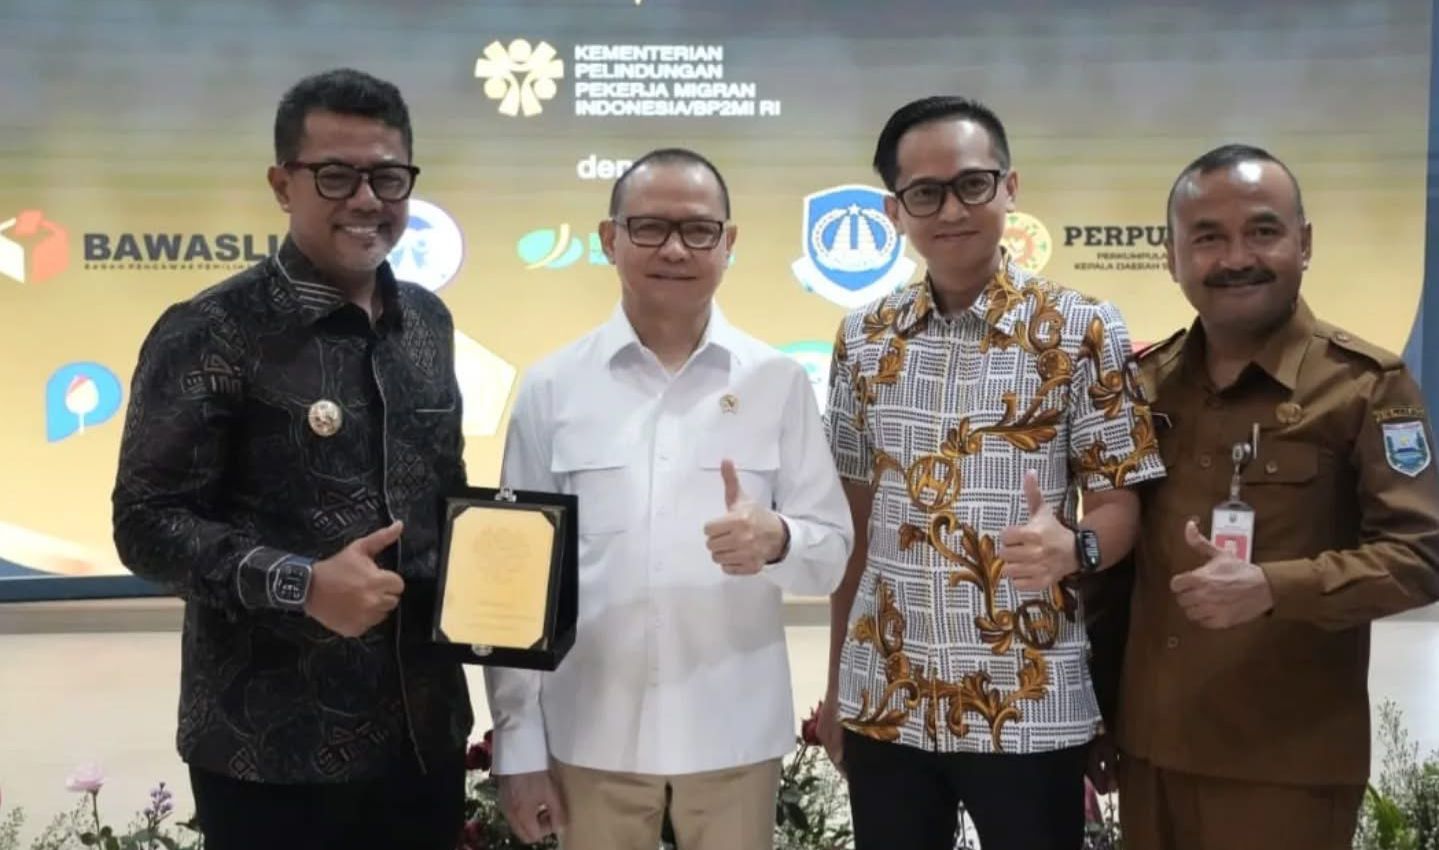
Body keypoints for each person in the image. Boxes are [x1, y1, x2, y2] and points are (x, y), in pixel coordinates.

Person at [111, 68, 471, 850]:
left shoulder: (427, 324)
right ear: (283, 185)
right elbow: (146, 524)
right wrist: (301, 584)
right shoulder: (209, 329)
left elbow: (445, 503)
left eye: (387, 177)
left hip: (422, 736)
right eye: (335, 176)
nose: (366, 199)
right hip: (271, 754)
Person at [817, 95, 1165, 850]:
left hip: (1028, 697)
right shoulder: (864, 339)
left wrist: (1076, 546)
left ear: (1009, 188)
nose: (951, 210)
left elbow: (1119, 504)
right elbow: (854, 523)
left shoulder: (1081, 329)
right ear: (894, 210)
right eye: (925, 192)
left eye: (972, 184)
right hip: (889, 694)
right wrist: (838, 682)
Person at [486, 147, 853, 850]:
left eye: (699, 230)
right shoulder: (552, 387)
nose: (675, 250)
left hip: (733, 735)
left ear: (729, 242)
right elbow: (515, 583)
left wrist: (777, 539)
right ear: (609, 238)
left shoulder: (777, 381)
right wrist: (518, 745)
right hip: (589, 734)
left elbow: (831, 554)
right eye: (649, 228)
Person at [1112, 143, 1439, 850]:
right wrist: (1096, 720)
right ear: (1171, 257)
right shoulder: (1145, 387)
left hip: (1283, 766)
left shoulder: (1363, 386)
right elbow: (1117, 575)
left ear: (1304, 242)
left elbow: (1421, 557)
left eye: (1262, 231)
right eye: (1207, 237)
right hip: (1148, 754)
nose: (1237, 257)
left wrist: (1272, 588)